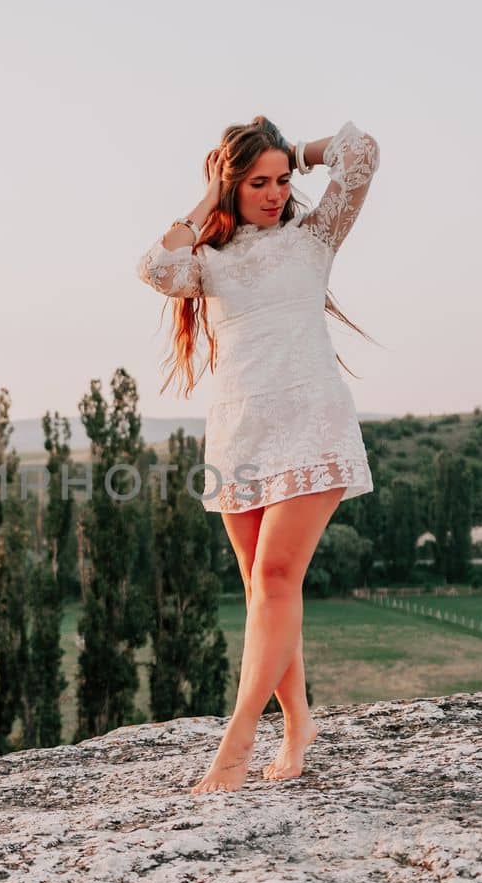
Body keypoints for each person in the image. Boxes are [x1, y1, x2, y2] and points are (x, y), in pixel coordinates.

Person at [134, 116, 382, 793]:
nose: (275, 193)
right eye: (258, 182)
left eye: (281, 181)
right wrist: (210, 194)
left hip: (311, 421)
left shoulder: (314, 238)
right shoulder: (208, 264)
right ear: (231, 185)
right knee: (263, 592)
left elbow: (361, 152)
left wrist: (299, 153)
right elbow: (154, 266)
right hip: (239, 433)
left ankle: (238, 737)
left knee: (275, 577)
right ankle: (299, 722)